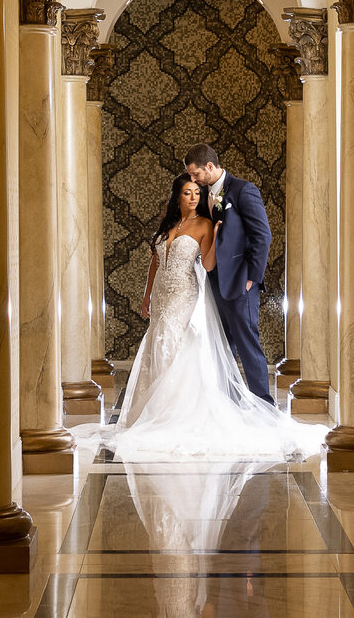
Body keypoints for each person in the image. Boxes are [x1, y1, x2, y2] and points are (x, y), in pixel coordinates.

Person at [100, 172, 320, 463]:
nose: (193, 198)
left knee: (174, 345)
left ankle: (176, 411)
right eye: (187, 193)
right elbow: (156, 261)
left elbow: (208, 263)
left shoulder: (204, 224)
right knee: (156, 344)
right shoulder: (169, 223)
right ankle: (151, 411)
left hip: (184, 294)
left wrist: (216, 238)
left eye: (197, 193)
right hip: (162, 295)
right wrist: (146, 294)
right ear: (177, 196)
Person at [183, 144, 275, 404]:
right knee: (223, 347)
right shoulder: (204, 196)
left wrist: (252, 278)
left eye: (195, 174)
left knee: (247, 344)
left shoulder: (243, 190)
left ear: (210, 167)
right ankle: (230, 404)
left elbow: (262, 236)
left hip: (240, 282)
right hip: (215, 284)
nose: (193, 179)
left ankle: (265, 406)